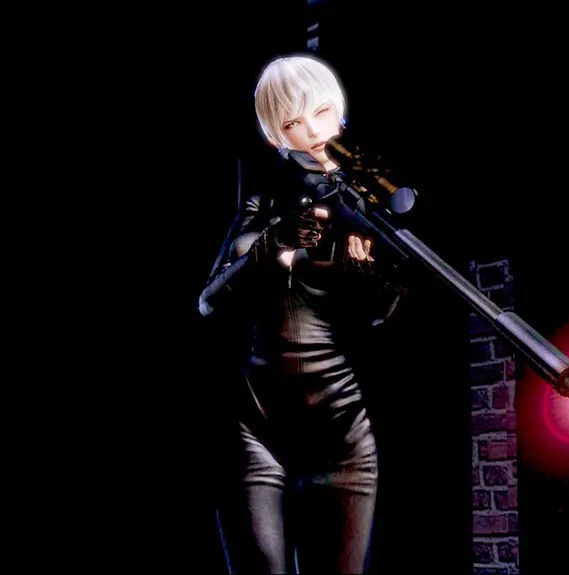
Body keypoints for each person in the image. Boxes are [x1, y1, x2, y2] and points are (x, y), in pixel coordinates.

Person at [198, 54, 406, 573]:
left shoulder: (369, 195)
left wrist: (367, 275)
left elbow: (383, 313)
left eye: (320, 112)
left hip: (341, 432)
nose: (311, 132)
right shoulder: (265, 194)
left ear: (340, 109)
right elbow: (209, 300)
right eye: (292, 122)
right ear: (275, 135)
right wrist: (272, 246)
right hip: (255, 426)